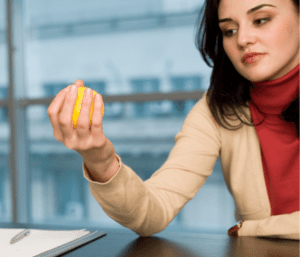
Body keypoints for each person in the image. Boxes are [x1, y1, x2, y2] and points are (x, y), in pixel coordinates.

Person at [47, 0, 299, 240]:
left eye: (261, 19)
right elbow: (151, 213)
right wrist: (100, 160)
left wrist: (251, 229)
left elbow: (248, 231)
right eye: (229, 30)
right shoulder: (217, 109)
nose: (243, 39)